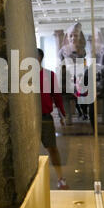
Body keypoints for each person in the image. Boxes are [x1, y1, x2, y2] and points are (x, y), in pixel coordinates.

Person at [38, 49, 69, 190]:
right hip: (28, 119)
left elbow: (56, 96)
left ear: (40, 58)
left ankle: (60, 178)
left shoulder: (49, 75)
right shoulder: (24, 76)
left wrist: (62, 114)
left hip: (45, 118)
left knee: (52, 148)